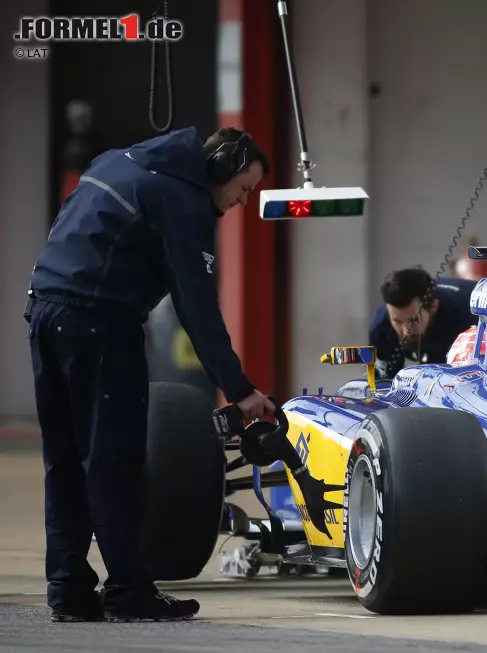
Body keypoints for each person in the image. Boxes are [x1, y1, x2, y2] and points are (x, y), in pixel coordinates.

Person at [24, 126, 277, 623]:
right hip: (100, 323)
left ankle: (69, 589)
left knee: (66, 460)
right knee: (114, 460)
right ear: (221, 167)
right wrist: (241, 389)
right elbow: (197, 305)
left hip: (43, 314)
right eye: (244, 189)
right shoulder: (182, 198)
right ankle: (128, 590)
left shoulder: (117, 159)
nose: (242, 202)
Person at [369, 267, 479, 379]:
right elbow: (381, 386)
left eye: (414, 320)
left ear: (433, 307)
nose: (406, 330)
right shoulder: (381, 326)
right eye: (397, 321)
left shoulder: (471, 319)